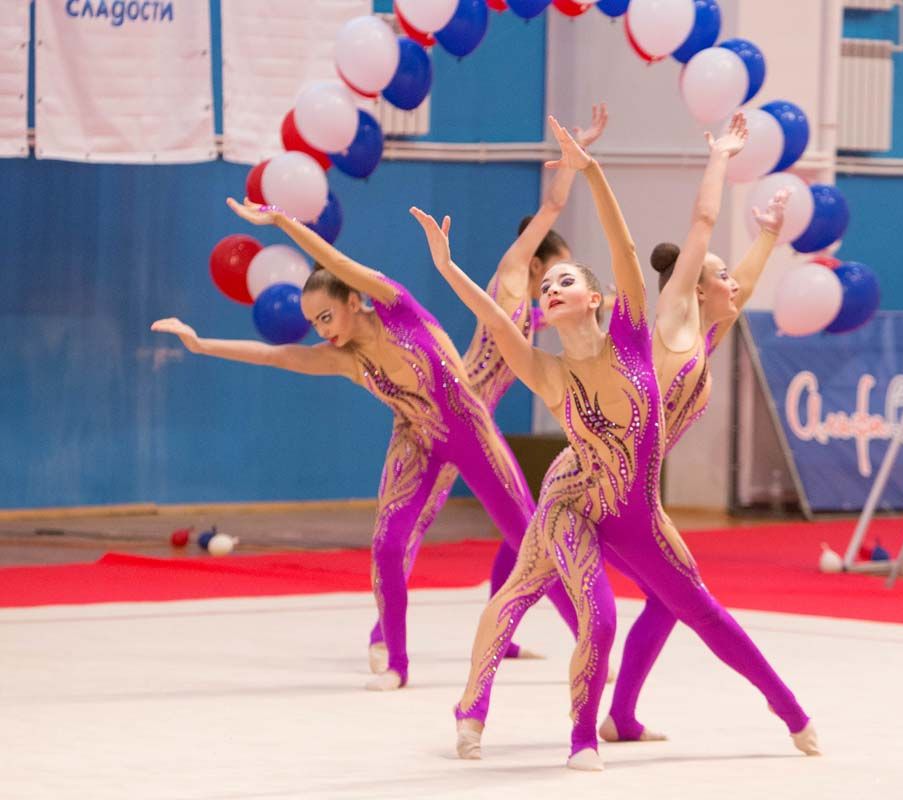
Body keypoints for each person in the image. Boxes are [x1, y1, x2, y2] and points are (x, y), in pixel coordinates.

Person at [411, 115, 817, 771]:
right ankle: (505, 716)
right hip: (575, 495)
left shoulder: (651, 334)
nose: (550, 289)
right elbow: (495, 318)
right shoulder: (573, 362)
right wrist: (447, 267)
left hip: (635, 505)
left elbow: (637, 246)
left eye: (564, 281)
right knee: (571, 608)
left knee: (699, 607)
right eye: (546, 287)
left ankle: (791, 713)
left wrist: (594, 171)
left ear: (597, 297)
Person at [151, 197, 583, 692]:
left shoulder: (397, 307)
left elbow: (335, 262)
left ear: (353, 300)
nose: (322, 331)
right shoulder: (345, 358)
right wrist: (202, 344)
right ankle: (397, 662)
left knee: (530, 537)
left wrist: (281, 220)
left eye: (326, 317)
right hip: (415, 439)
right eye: (315, 324)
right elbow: (276, 356)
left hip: (470, 430)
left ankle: (586, 639)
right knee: (388, 544)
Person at [366, 104, 609, 674]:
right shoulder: (512, 274)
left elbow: (549, 329)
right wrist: (575, 157)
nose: (561, 280)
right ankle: (383, 634)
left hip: (476, 419)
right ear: (537, 259)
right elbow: (551, 207)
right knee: (416, 523)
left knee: (524, 527)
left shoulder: (536, 307)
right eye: (559, 268)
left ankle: (509, 628)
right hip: (454, 407)